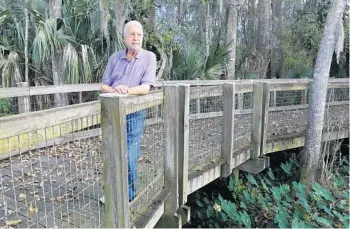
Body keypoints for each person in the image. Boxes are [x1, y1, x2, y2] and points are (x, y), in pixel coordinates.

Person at [100, 20, 156, 204]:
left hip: (134, 112)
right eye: (132, 34)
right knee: (113, 153)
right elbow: (103, 85)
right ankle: (111, 193)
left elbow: (146, 87)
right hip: (112, 111)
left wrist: (126, 90)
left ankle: (128, 196)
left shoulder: (149, 57)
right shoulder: (114, 58)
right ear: (124, 38)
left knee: (130, 155)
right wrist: (117, 91)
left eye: (139, 35)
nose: (136, 38)